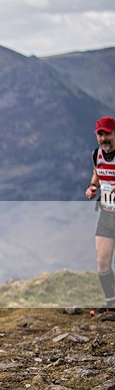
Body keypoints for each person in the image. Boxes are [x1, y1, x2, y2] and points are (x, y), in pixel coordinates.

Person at [85, 116, 115, 312]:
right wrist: (92, 188)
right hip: (107, 213)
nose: (104, 138)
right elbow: (96, 177)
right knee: (102, 261)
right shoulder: (97, 155)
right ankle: (111, 306)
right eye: (100, 134)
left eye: (107, 134)